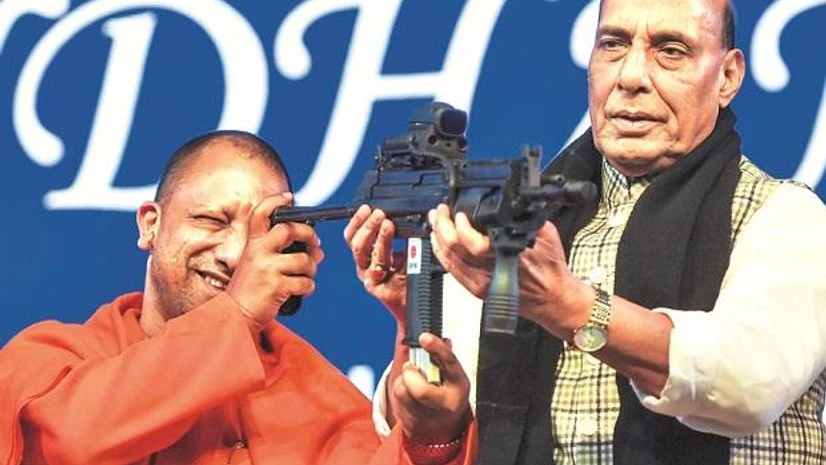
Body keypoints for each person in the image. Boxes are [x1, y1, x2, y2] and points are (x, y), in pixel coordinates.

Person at [347, 0, 826, 463]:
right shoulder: (516, 228)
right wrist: (419, 352)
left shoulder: (784, 217)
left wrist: (568, 305)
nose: (631, 77)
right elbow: (436, 432)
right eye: (613, 44)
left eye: (671, 50)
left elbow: (748, 383)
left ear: (727, 76)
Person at [0, 130, 472, 465]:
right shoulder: (48, 357)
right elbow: (69, 442)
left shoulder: (315, 388)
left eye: (261, 234)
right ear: (151, 224)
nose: (233, 255)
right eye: (210, 221)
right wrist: (239, 313)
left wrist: (432, 435)